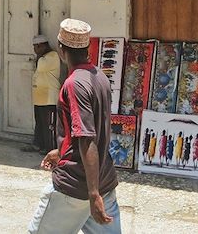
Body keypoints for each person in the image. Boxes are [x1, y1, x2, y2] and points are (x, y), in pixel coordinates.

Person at [28, 18, 120, 234]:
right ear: (87, 47)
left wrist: (93, 193)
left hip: (76, 187)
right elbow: (89, 133)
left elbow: (86, 139)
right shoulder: (100, 78)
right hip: (104, 178)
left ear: (61, 48)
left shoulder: (74, 84)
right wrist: (61, 151)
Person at [23, 34, 61, 154]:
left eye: (36, 47)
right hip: (39, 97)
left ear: (41, 46)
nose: (34, 50)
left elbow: (41, 67)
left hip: (49, 97)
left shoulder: (52, 56)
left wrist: (39, 54)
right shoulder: (42, 57)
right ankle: (38, 144)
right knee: (39, 123)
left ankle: (51, 149)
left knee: (49, 125)